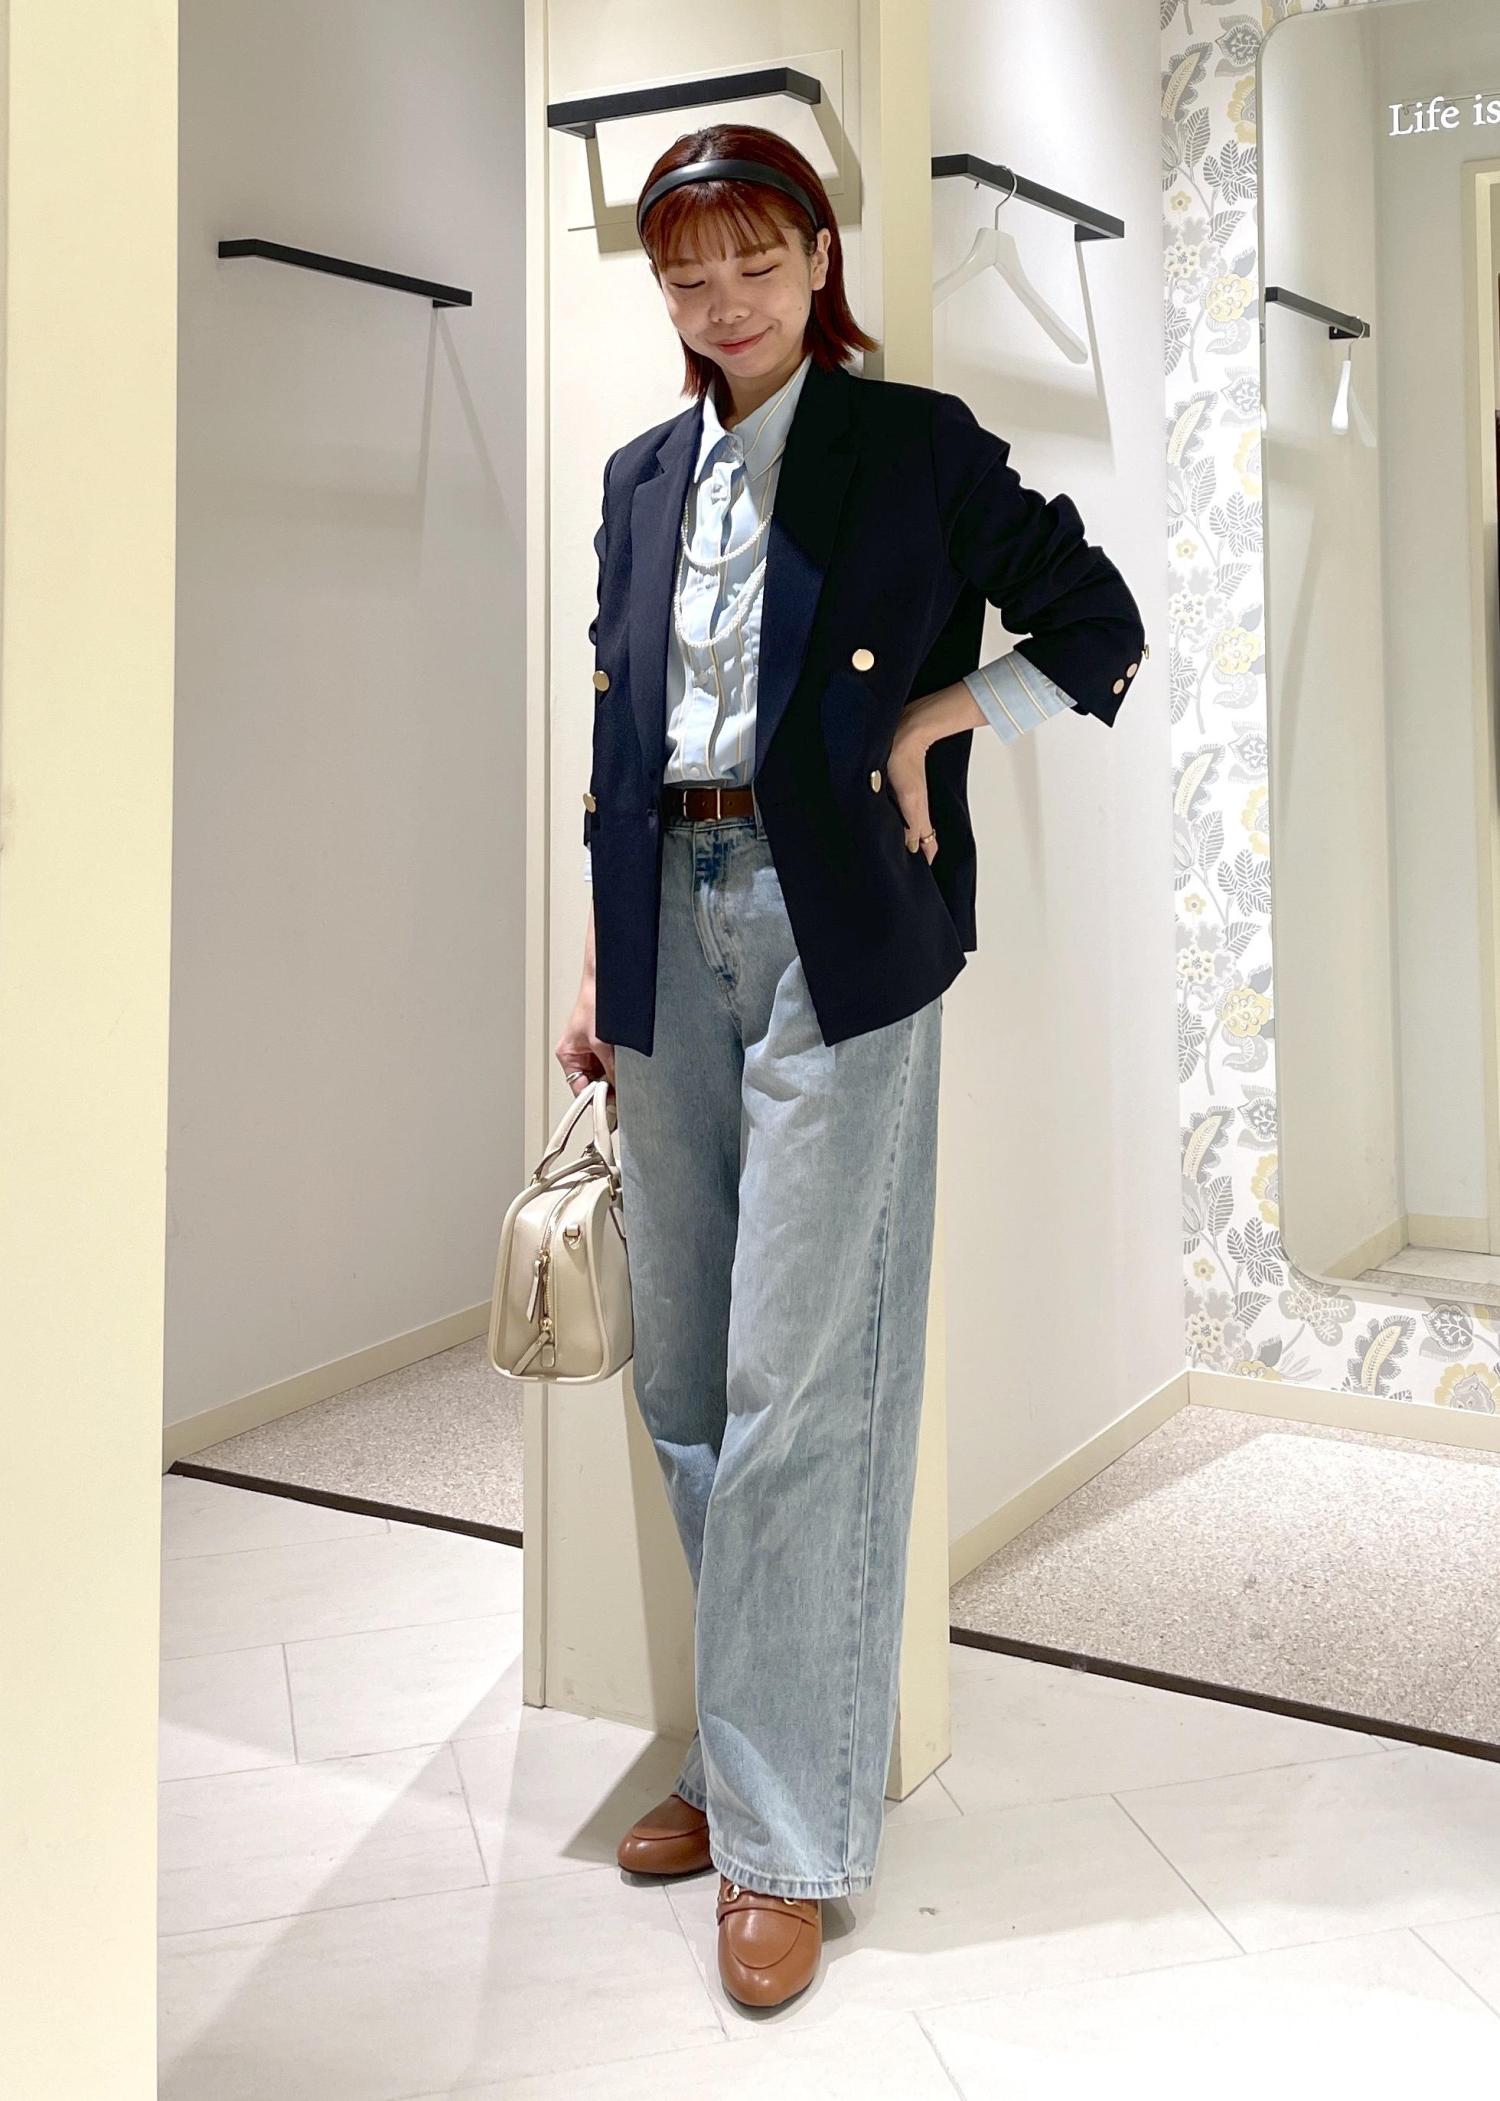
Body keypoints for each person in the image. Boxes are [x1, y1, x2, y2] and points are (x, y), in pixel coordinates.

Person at [553, 121, 1146, 2011]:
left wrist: (934, 721)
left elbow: (1101, 626)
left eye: (754, 260)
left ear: (819, 259)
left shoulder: (913, 446)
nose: (720, 300)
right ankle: (753, 1750)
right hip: (663, 925)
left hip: (837, 935)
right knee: (685, 1377)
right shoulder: (640, 478)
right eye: (685, 271)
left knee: (798, 1377)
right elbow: (622, 726)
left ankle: (786, 1833)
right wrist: (599, 952)